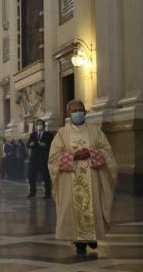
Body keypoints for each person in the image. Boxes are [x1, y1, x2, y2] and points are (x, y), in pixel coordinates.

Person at [48, 100, 117, 254]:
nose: (78, 113)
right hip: (70, 178)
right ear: (68, 114)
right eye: (74, 111)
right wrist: (72, 155)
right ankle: (79, 241)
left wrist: (92, 153)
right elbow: (53, 158)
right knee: (74, 208)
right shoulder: (62, 134)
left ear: (85, 112)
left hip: (92, 177)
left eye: (80, 110)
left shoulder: (95, 131)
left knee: (92, 205)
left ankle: (92, 237)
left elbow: (107, 151)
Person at [27, 119, 54, 199]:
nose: (39, 126)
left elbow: (52, 145)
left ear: (44, 126)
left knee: (46, 177)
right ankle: (32, 192)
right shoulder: (33, 134)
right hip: (34, 159)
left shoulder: (48, 135)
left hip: (44, 159)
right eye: (38, 124)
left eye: (41, 124)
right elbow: (28, 144)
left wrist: (44, 144)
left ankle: (47, 193)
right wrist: (30, 144)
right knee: (31, 176)